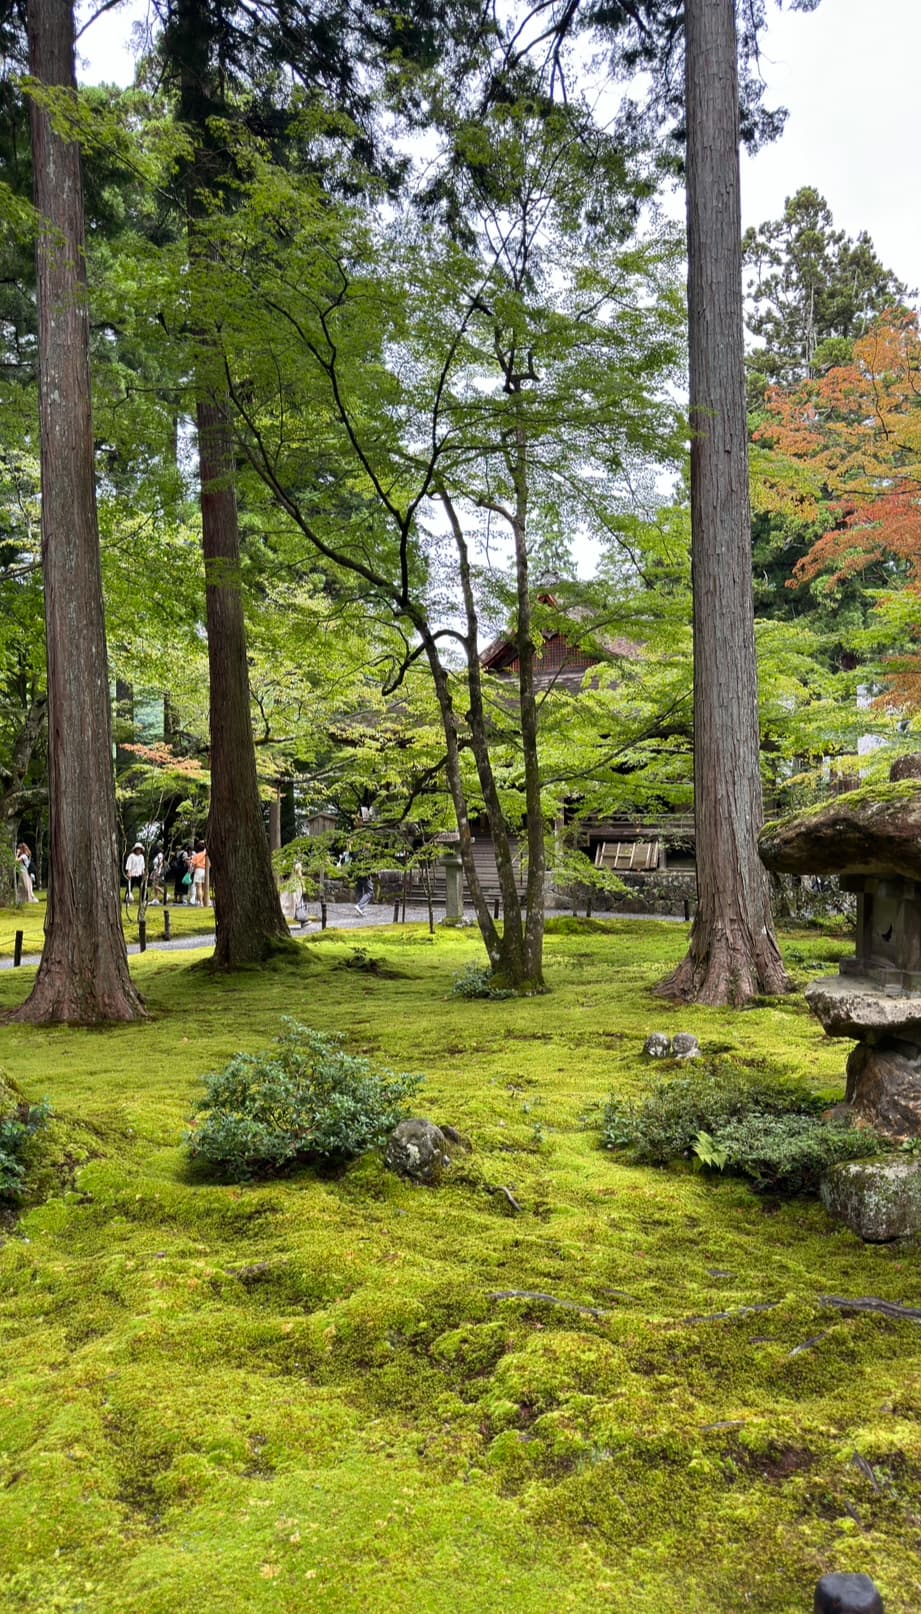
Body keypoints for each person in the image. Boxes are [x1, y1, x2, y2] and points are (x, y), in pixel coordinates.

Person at [189, 840, 209, 907]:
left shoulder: (196, 856)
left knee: (199, 887)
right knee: (204, 888)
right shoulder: (206, 855)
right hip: (205, 871)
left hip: (198, 870)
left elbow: (192, 864)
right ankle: (205, 901)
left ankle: (201, 903)